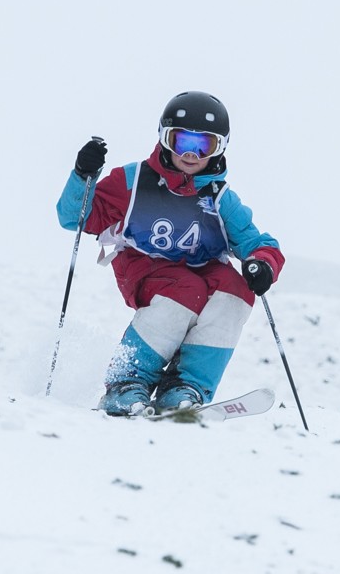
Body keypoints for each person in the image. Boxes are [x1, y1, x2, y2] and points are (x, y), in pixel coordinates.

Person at [56, 91, 284, 416]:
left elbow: (258, 244)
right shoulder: (132, 182)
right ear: (165, 139)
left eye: (203, 146)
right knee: (183, 288)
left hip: (203, 269)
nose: (190, 154)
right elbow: (76, 218)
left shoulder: (220, 198)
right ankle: (125, 382)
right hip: (143, 265)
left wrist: (262, 266)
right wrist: (83, 176)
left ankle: (184, 387)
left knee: (236, 289)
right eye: (182, 142)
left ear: (219, 148)